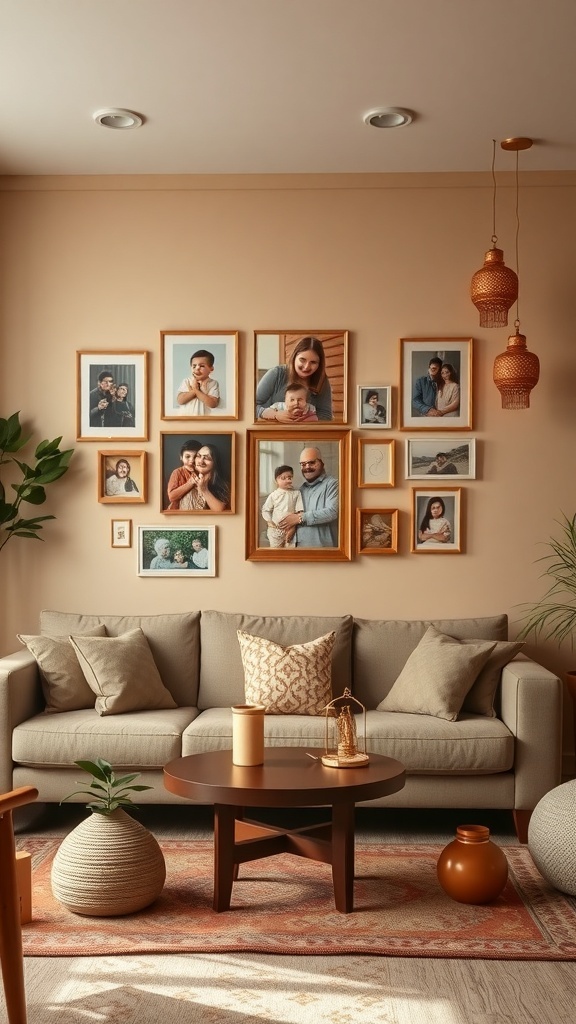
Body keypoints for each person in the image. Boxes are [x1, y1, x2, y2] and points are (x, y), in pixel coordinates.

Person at [256, 337, 333, 421]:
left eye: (313, 362)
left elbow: (326, 415)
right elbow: (251, 406)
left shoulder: (321, 380)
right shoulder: (277, 373)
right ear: (294, 357)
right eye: (302, 360)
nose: (306, 367)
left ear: (319, 364)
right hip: (273, 430)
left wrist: (307, 419)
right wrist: (275, 414)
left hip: (306, 432)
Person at [279, 446, 338, 547]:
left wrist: (300, 518)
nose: (307, 467)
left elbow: (332, 512)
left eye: (311, 462)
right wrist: (293, 525)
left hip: (324, 552)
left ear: (322, 463)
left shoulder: (333, 484)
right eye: (303, 464)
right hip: (299, 551)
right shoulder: (301, 489)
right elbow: (294, 516)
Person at [167, 440, 230, 511]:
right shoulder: (180, 473)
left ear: (215, 462)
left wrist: (204, 490)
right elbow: (172, 497)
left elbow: (220, 511)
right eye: (199, 456)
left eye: (206, 458)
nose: (200, 461)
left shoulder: (221, 484)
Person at [261, 464, 304, 548]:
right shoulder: (273, 495)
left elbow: (300, 512)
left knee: (289, 552)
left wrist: (293, 528)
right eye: (283, 478)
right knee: (275, 552)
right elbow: (265, 510)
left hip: (290, 529)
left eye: (289, 477)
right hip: (275, 530)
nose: (287, 480)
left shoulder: (296, 493)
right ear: (276, 480)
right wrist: (270, 521)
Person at [176, 349, 220, 415]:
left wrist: (196, 391)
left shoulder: (212, 383)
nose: (197, 368)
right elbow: (180, 401)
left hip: (203, 418)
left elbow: (213, 404)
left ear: (211, 368)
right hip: (186, 418)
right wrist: (194, 391)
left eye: (202, 366)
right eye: (194, 366)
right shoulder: (187, 381)